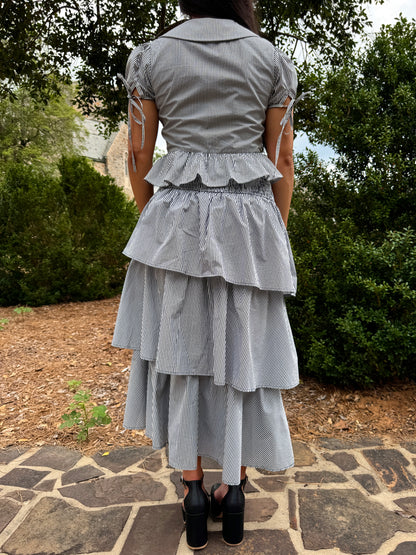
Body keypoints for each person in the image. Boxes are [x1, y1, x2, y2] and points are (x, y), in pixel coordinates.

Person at [113, 0, 301, 549]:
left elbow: (138, 151)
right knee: (242, 350)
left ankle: (193, 491)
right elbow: (283, 158)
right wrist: (276, 232)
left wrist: (151, 218)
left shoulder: (151, 58)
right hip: (249, 221)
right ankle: (234, 488)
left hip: (175, 222)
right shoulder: (271, 60)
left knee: (183, 351)